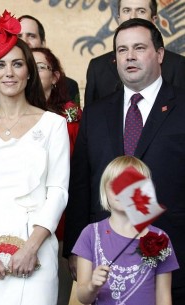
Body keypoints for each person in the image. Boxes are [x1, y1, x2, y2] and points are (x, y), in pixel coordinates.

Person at [63, 18, 185, 304]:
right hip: (105, 265)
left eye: (139, 48)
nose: (129, 56)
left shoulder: (182, 107)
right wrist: (74, 251)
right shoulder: (95, 113)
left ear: (160, 54)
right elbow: (81, 184)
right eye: (121, 50)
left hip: (174, 257)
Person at [0, 10, 69, 305]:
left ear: (29, 71)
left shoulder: (53, 124)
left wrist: (32, 248)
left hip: (38, 248)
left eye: (17, 64)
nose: (9, 72)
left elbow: (57, 192)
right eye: (0, 65)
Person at [73, 156, 179, 305]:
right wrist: (92, 286)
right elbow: (82, 297)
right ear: (104, 189)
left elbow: (163, 297)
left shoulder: (160, 238)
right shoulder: (90, 233)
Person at [32, 47, 81, 305]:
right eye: (27, 64)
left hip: (61, 222)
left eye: (41, 66)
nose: (32, 69)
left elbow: (80, 170)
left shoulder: (70, 115)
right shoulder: (8, 112)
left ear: (56, 76)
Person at [84, 0, 185, 106]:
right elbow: (91, 117)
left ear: (154, 19)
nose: (132, 16)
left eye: (141, 11)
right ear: (118, 18)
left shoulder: (177, 65)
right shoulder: (98, 67)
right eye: (126, 10)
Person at [18, 15, 80, 103]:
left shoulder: (68, 85)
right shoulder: (5, 80)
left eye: (31, 36)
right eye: (19, 36)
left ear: (43, 43)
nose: (24, 41)